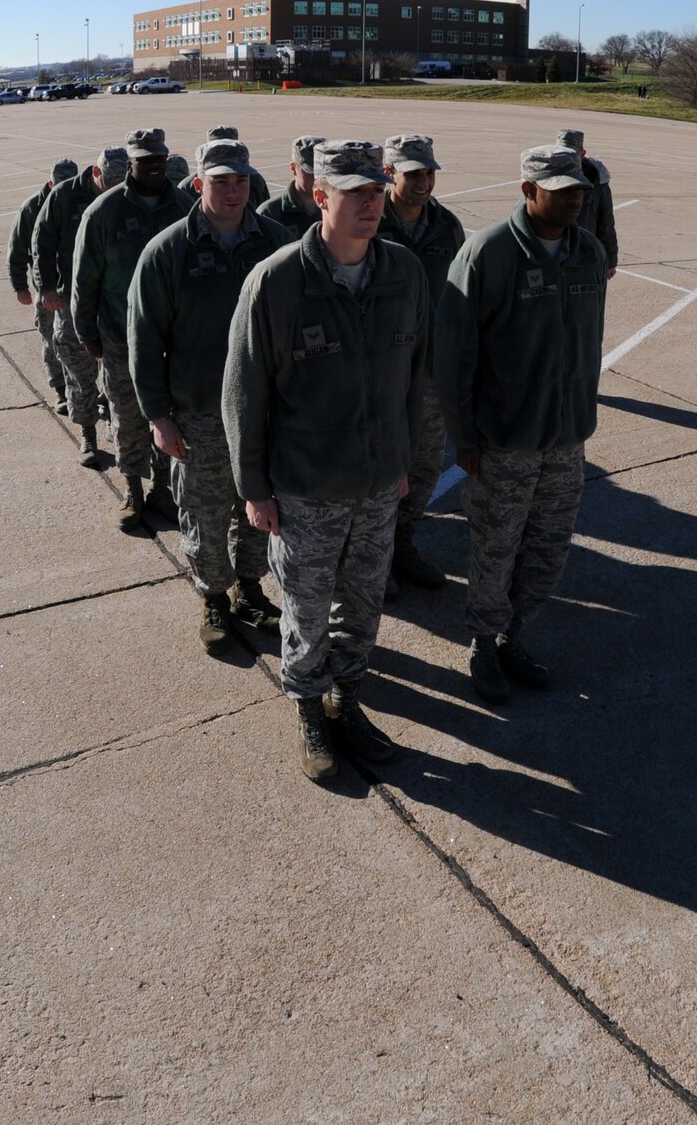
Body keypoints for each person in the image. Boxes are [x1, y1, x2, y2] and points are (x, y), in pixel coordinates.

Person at [223, 140, 426, 781]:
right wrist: (255, 489)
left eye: (376, 191)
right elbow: (243, 392)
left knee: (363, 604)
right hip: (305, 487)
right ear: (320, 197)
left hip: (374, 482)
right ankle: (309, 708)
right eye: (353, 192)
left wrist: (404, 464)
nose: (370, 204)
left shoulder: (402, 273)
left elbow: (412, 379)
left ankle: (347, 700)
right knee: (306, 609)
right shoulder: (279, 281)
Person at [435, 145, 606, 705]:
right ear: (529, 192)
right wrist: (463, 437)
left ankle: (515, 632)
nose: (576, 197)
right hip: (503, 440)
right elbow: (454, 355)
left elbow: (587, 341)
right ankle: (484, 642)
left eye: (579, 187)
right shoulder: (487, 254)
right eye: (562, 189)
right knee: (495, 547)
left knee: (549, 550)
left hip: (565, 437)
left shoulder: (588, 252)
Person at [129, 137, 283, 652]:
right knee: (204, 509)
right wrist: (158, 416)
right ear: (199, 184)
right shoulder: (168, 252)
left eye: (241, 180)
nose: (234, 191)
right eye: (221, 181)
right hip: (198, 412)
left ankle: (249, 587)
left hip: (265, 412)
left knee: (257, 506)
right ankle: (213, 596)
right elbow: (144, 340)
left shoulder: (277, 243)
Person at [72, 128, 193, 532]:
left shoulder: (184, 207)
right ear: (130, 164)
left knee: (169, 415)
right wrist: (86, 331)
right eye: (146, 158)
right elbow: (84, 279)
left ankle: (162, 490)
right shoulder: (104, 213)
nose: (156, 164)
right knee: (127, 415)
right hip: (120, 337)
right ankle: (132, 490)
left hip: (173, 338)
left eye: (160, 156)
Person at [376, 133, 463, 595]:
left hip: (429, 369)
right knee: (381, 467)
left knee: (425, 464)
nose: (424, 182)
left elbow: (459, 295)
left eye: (429, 173)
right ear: (390, 173)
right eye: (414, 174)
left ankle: (402, 543)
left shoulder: (446, 225)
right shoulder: (369, 218)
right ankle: (374, 559)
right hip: (379, 371)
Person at [34, 146, 129, 459]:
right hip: (72, 299)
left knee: (118, 373)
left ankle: (117, 431)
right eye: (110, 180)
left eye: (122, 179)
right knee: (78, 369)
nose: (116, 187)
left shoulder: (127, 194)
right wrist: (46, 286)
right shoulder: (64, 196)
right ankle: (88, 435)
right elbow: (42, 241)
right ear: (96, 172)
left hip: (113, 299)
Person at [9, 159, 80, 411]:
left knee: (77, 342)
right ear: (51, 183)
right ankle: (60, 390)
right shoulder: (32, 208)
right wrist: (20, 286)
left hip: (76, 285)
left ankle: (83, 391)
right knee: (51, 339)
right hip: (47, 286)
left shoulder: (79, 199)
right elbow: (17, 249)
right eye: (60, 185)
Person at [555, 129, 619, 268]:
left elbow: (606, 222)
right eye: (561, 153)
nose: (566, 158)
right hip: (552, 252)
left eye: (571, 153)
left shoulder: (597, 182)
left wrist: (610, 261)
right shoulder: (546, 178)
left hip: (584, 253)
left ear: (582, 153)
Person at [179, 127, 271, 208]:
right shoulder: (189, 185)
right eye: (221, 182)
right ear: (199, 186)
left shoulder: (255, 180)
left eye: (241, 181)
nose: (233, 193)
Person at [257, 135, 327, 239]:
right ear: (293, 167)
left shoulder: (335, 209)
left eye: (321, 171)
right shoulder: (270, 213)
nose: (317, 177)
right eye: (310, 171)